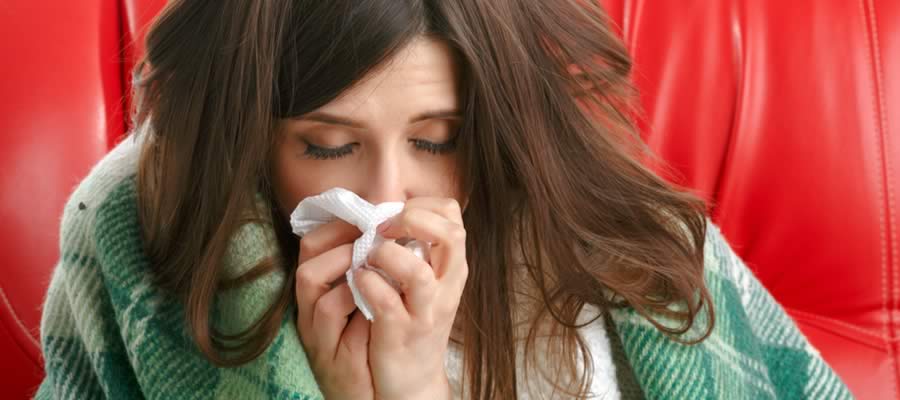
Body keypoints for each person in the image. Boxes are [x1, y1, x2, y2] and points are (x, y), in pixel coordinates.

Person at [37, 1, 851, 399]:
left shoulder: (604, 233)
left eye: (436, 141)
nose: (386, 199)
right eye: (328, 146)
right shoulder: (144, 221)